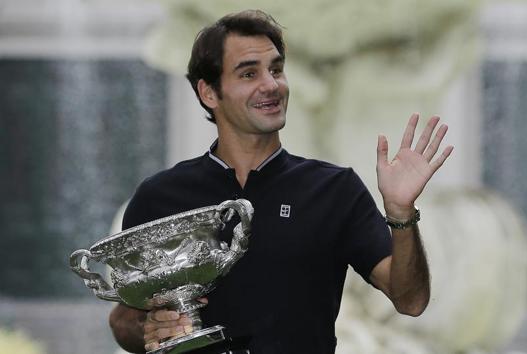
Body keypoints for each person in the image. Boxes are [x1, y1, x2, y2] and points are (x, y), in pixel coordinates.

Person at [109, 9, 453, 354]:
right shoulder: (159, 196)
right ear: (209, 92)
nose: (271, 85)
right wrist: (148, 328)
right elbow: (124, 319)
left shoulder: (335, 189)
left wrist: (402, 212)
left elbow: (410, 300)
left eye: (276, 69)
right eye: (249, 73)